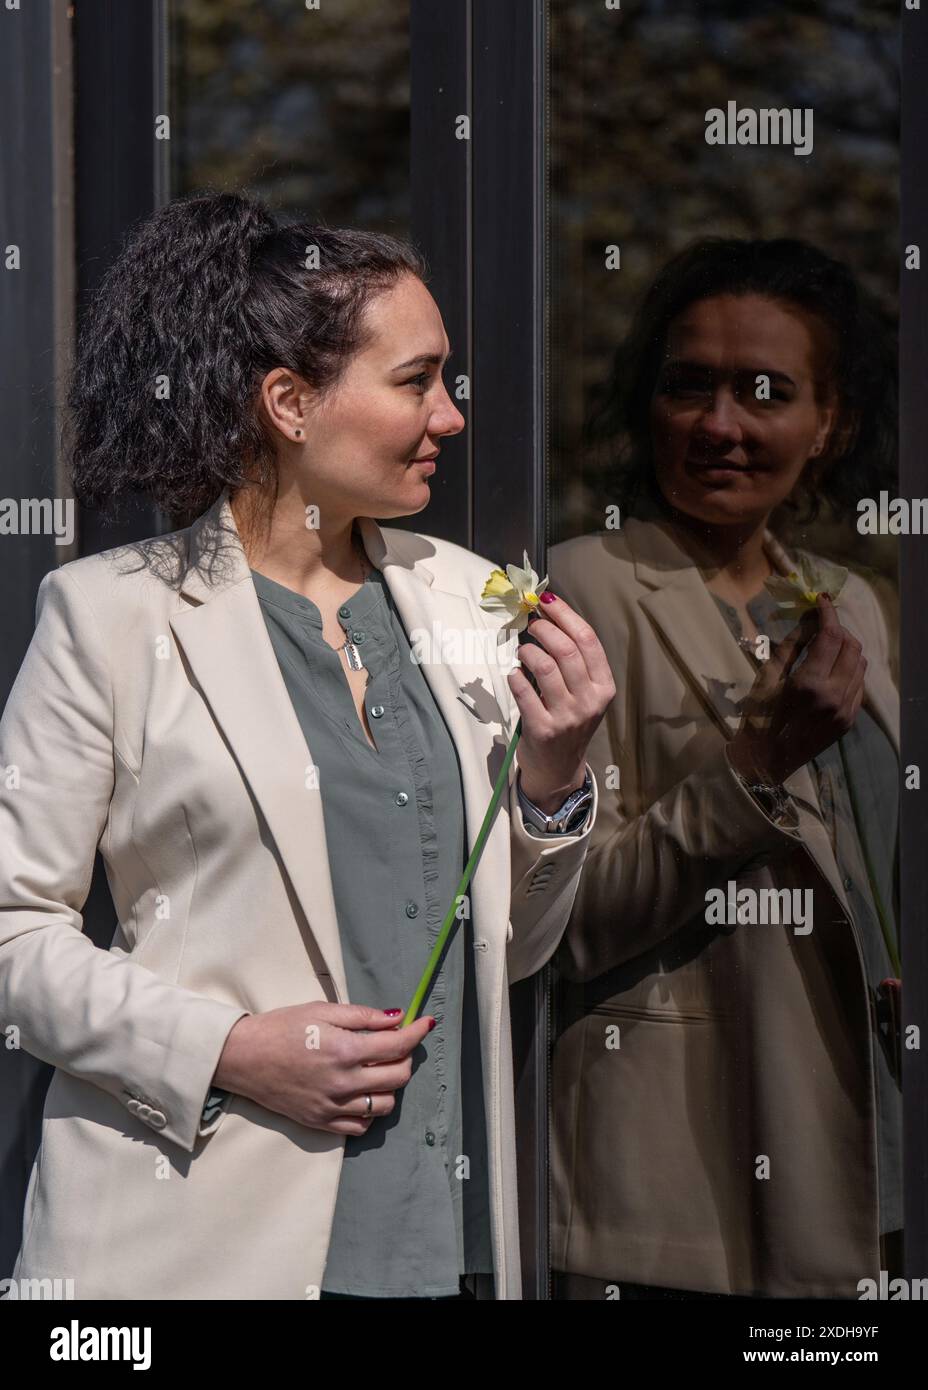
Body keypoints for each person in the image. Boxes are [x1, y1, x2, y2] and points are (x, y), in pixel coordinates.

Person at [0, 191, 615, 1300]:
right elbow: (10, 934)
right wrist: (226, 1049)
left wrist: (555, 776)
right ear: (288, 401)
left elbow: (506, 952)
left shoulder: (472, 602)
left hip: (445, 1247)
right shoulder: (107, 617)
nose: (452, 418)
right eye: (416, 380)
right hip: (189, 1246)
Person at [547, 237, 902, 1299]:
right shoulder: (581, 590)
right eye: (687, 386)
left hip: (861, 1136)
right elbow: (562, 918)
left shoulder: (849, 604)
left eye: (764, 392)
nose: (719, 425)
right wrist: (751, 764)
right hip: (682, 1173)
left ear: (827, 423)